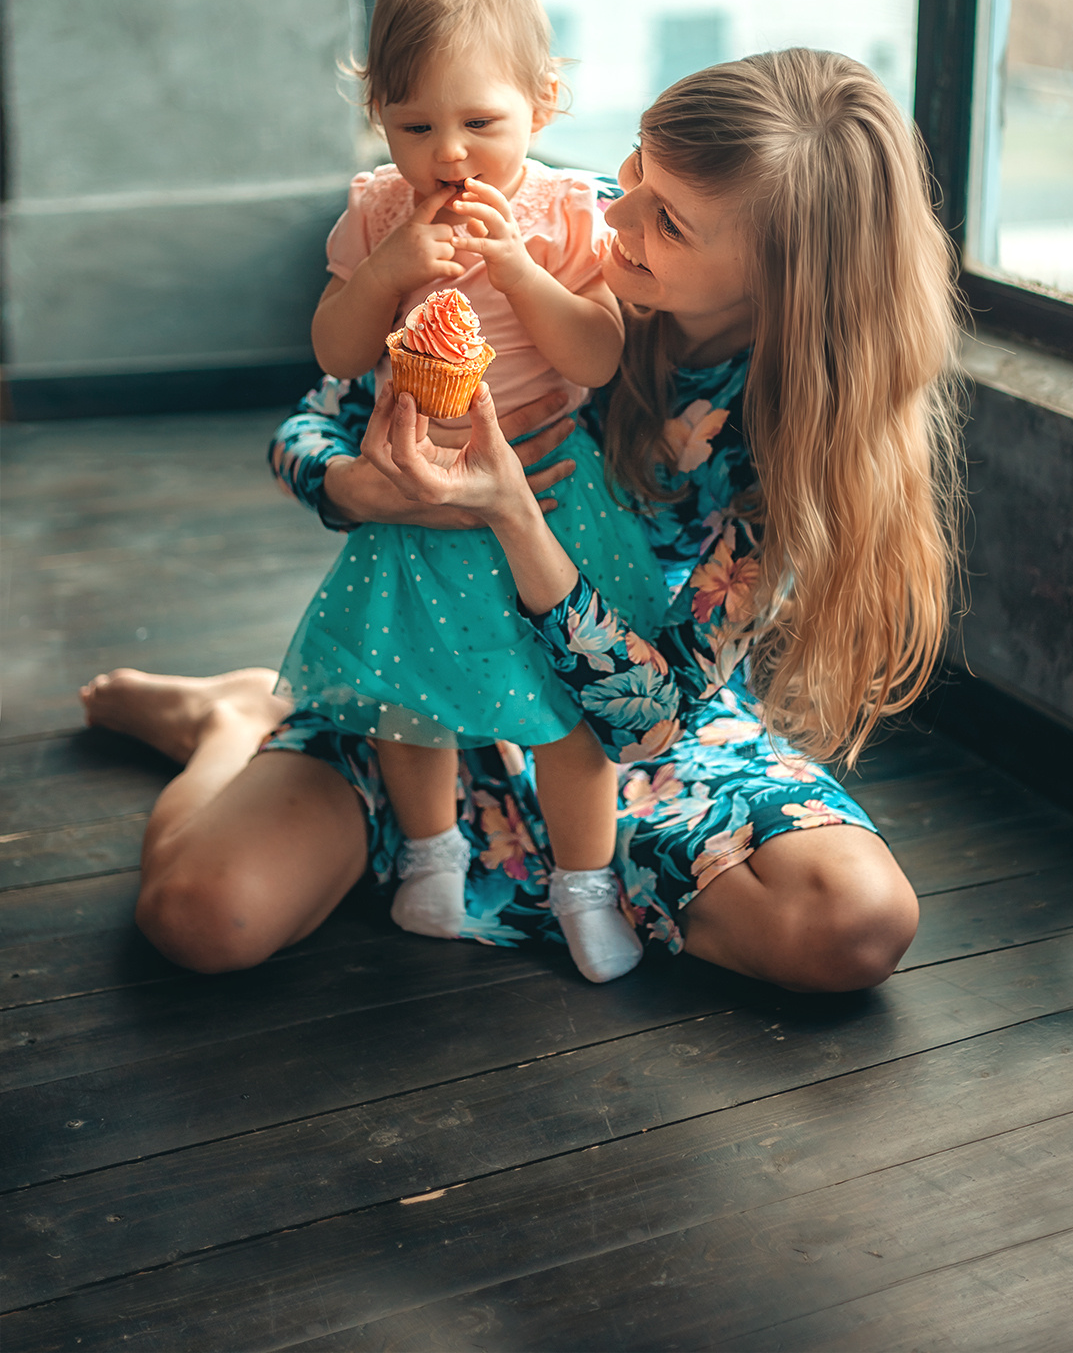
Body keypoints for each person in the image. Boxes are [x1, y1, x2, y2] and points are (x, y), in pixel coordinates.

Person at [82, 48, 961, 994]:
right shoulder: (547, 224)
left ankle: (536, 863)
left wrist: (514, 518)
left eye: (666, 220)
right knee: (201, 917)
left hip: (632, 740)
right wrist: (354, 487)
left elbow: (654, 714)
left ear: (784, 284)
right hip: (423, 687)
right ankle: (237, 717)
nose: (612, 212)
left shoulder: (804, 431)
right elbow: (312, 416)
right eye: (633, 168)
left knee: (855, 926)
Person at [274, 0, 665, 982]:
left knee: (564, 714)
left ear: (542, 104)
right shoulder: (376, 212)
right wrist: (393, 266)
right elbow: (336, 353)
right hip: (418, 491)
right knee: (414, 695)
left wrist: (518, 266)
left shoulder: (568, 211)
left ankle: (585, 882)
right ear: (380, 119)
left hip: (545, 499)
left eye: (480, 124)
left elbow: (596, 353)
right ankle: (433, 853)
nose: (448, 154)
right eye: (415, 127)